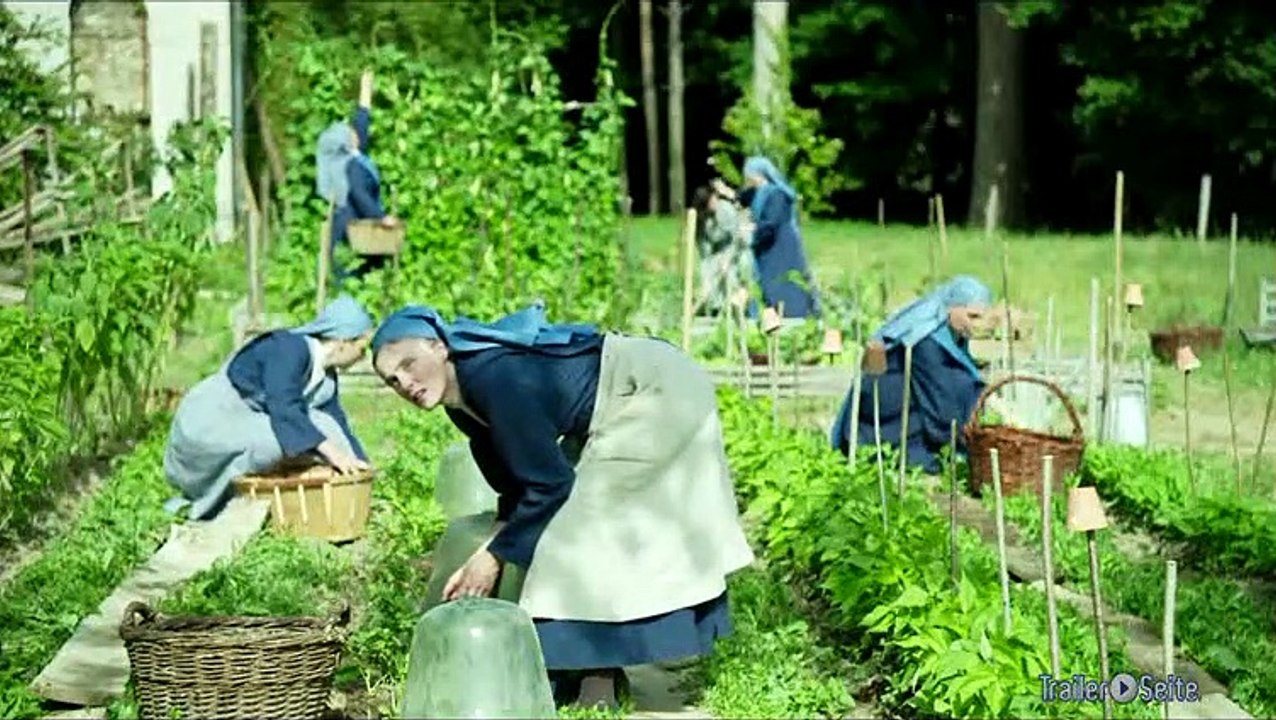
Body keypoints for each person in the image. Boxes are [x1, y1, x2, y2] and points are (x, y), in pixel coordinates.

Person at [370, 302, 755, 710]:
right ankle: (594, 676)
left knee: (575, 534)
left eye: (410, 364)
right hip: (621, 396)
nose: (405, 383)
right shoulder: (461, 401)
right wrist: (499, 534)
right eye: (392, 380)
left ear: (439, 347)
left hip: (654, 390)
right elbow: (517, 480)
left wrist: (494, 557)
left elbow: (551, 484)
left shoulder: (496, 377)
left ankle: (596, 683)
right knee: (569, 529)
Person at [163, 295, 375, 520]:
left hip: (253, 419)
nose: (363, 356)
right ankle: (226, 499)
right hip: (214, 418)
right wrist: (334, 455)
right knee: (279, 443)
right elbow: (285, 407)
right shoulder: (288, 348)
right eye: (361, 348)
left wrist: (363, 469)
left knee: (324, 429)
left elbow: (336, 423)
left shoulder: (326, 378)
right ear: (343, 341)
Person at [829, 276, 992, 475]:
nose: (976, 324)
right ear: (952, 307)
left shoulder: (949, 331)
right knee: (922, 463)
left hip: (911, 410)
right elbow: (942, 400)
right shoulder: (925, 340)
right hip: (885, 422)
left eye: (980, 317)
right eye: (972, 316)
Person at [316, 69, 400, 282]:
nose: (355, 133)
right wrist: (382, 218)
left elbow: (362, 119)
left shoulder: (357, 156)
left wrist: (365, 89)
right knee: (350, 273)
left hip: (356, 222)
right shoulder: (351, 166)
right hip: (351, 224)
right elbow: (359, 194)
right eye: (350, 133)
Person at [726, 157, 819, 318]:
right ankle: (769, 315)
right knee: (767, 283)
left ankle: (791, 314)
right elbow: (742, 199)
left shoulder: (777, 195)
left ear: (758, 174)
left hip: (781, 246)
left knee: (784, 282)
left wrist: (753, 230)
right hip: (767, 246)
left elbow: (772, 223)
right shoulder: (759, 193)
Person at [690, 184, 751, 315]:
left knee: (730, 273)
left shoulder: (725, 210)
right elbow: (704, 247)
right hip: (716, 252)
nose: (714, 203)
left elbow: (737, 238)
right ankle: (713, 306)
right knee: (708, 272)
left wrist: (726, 259)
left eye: (714, 199)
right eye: (710, 201)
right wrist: (709, 265)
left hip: (736, 251)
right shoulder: (703, 218)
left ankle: (735, 306)